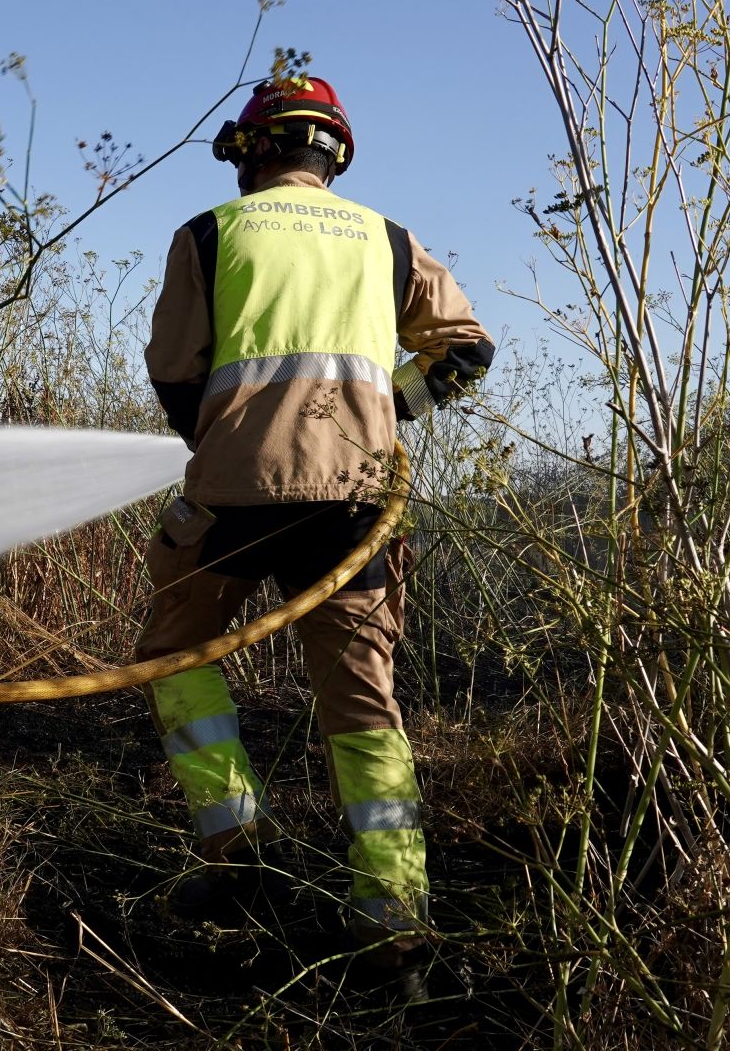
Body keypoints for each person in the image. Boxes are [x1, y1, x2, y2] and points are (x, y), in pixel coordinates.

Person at [138, 74, 494, 960]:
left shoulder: (209, 234)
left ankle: (236, 846)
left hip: (230, 499)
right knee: (363, 698)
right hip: (360, 503)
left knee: (174, 654)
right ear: (332, 153)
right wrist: (392, 412)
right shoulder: (387, 239)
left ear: (252, 151)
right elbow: (469, 347)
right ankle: (394, 905)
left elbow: (176, 371)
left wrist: (225, 445)